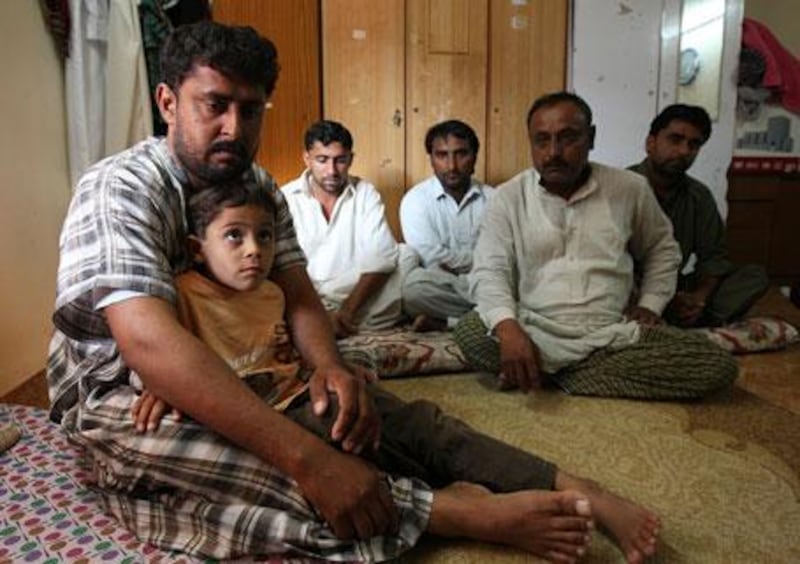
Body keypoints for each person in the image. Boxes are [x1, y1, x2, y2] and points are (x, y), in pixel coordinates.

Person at [47, 24, 660, 564]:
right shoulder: (121, 187)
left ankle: (574, 484)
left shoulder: (254, 182)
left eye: (252, 109)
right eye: (215, 105)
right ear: (167, 102)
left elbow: (300, 295)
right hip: (130, 391)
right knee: (211, 456)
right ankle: (452, 513)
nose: (235, 127)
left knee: (362, 407)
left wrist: (330, 369)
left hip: (253, 368)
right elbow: (147, 340)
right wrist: (307, 461)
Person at [455, 91, 738, 400]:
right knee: (470, 331)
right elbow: (490, 269)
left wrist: (650, 304)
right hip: (535, 328)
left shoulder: (629, 188)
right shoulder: (509, 197)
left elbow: (661, 249)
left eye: (568, 138)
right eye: (542, 140)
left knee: (717, 365)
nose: (553, 152)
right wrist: (508, 329)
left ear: (591, 137)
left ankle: (556, 375)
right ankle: (576, 371)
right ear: (531, 143)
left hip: (612, 332)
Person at [628, 104, 769, 327]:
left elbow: (713, 258)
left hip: (675, 285)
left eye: (694, 145)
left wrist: (699, 298)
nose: (684, 151)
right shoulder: (622, 187)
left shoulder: (698, 196)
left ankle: (690, 314)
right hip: (628, 288)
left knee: (753, 276)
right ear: (651, 143)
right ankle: (673, 316)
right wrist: (653, 298)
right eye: (675, 139)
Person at [283, 120, 406, 338]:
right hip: (305, 294)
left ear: (351, 159)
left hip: (352, 292)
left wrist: (347, 311)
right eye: (322, 160)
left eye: (340, 160)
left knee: (405, 256)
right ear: (307, 159)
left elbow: (381, 257)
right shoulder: (285, 197)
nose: (332, 171)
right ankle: (323, 322)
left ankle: (337, 322)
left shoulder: (365, 192)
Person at [400, 120, 494, 332]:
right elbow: (431, 257)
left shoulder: (495, 199)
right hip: (441, 285)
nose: (452, 165)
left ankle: (448, 323)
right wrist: (477, 261)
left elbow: (499, 256)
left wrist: (476, 266)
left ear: (474, 158)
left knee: (526, 285)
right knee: (413, 290)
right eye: (442, 155)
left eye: (461, 154)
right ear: (431, 160)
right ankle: (498, 316)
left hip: (489, 281)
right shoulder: (416, 200)